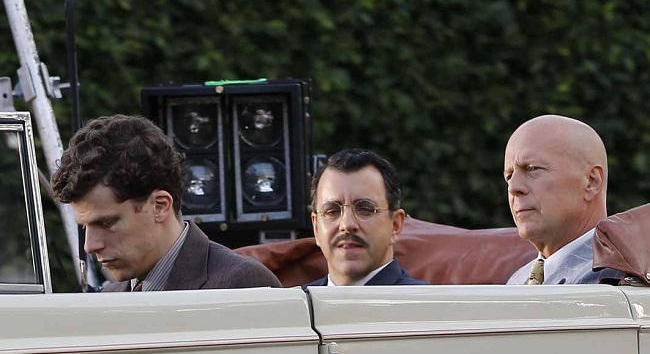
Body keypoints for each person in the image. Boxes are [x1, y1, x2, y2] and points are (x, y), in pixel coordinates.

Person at [51, 114, 281, 291]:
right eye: (85, 227)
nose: (90, 245)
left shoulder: (242, 283)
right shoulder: (110, 295)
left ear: (159, 206)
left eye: (106, 223)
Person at [504, 114, 622, 285]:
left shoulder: (616, 275)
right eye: (509, 176)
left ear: (591, 181)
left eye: (532, 168)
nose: (513, 187)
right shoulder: (517, 280)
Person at [305, 148, 427, 286]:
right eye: (332, 212)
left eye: (365, 209)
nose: (347, 224)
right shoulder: (294, 299)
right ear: (316, 228)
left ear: (395, 225)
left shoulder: (429, 300)